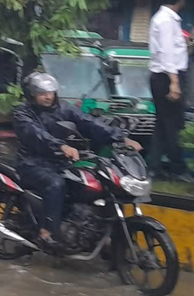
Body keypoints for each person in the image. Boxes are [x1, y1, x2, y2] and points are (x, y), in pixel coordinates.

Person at [13, 71, 141, 251]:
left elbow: (89, 123)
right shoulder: (23, 114)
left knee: (95, 182)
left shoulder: (64, 108)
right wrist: (61, 146)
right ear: (31, 95)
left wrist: (120, 138)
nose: (48, 97)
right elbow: (35, 134)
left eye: (50, 92)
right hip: (32, 163)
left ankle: (93, 231)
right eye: (42, 93)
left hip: (61, 162)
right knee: (55, 184)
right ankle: (46, 232)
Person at [149, 0, 190, 179]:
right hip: (166, 77)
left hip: (165, 75)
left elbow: (174, 50)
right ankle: (178, 168)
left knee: (163, 124)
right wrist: (174, 82)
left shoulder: (168, 19)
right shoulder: (166, 20)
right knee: (174, 124)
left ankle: (154, 167)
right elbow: (166, 53)